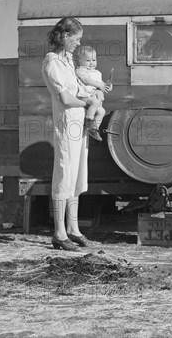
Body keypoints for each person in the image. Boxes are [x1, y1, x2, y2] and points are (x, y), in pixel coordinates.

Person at [41, 17, 94, 251]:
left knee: (77, 175)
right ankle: (59, 233)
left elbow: (79, 90)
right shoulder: (52, 63)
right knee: (64, 174)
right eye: (76, 39)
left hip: (78, 124)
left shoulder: (69, 61)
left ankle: (73, 229)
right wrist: (86, 102)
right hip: (66, 124)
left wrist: (91, 93)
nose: (77, 44)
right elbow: (65, 98)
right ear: (64, 36)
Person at [73, 46, 112, 141]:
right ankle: (89, 121)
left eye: (94, 60)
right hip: (84, 96)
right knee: (94, 102)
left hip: (93, 97)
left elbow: (101, 85)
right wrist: (99, 85)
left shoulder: (97, 73)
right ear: (81, 61)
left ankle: (94, 129)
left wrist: (108, 86)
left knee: (102, 111)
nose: (91, 63)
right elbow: (86, 80)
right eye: (88, 60)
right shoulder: (80, 70)